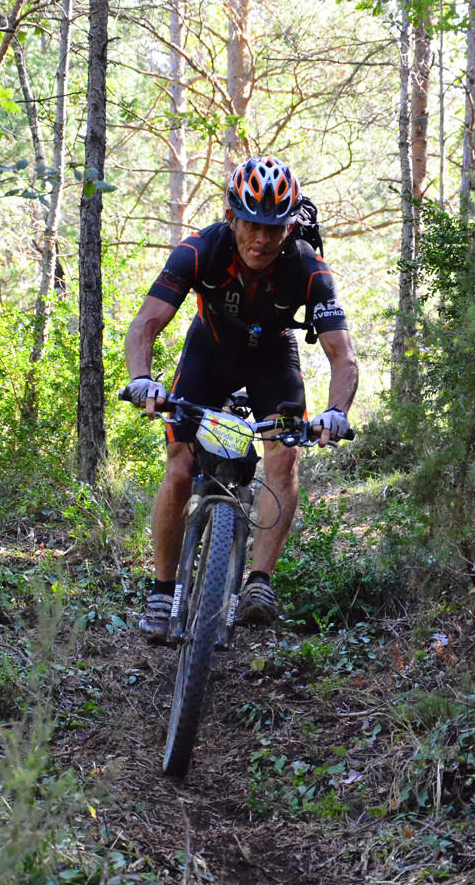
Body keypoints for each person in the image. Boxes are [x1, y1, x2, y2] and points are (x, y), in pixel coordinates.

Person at [124, 155, 358, 643]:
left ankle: (259, 583)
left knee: (285, 457)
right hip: (208, 355)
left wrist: (337, 412)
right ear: (231, 217)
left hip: (273, 361)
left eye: (274, 228)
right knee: (180, 466)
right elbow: (146, 323)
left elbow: (343, 357)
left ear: (291, 226)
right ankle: (163, 591)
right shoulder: (199, 250)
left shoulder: (310, 269)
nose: (261, 239)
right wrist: (143, 378)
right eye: (251, 224)